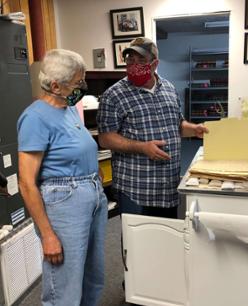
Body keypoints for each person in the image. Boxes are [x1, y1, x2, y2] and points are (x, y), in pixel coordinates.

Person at [17, 49, 108, 306]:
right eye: (78, 82)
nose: (83, 87)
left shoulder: (68, 108)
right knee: (65, 284)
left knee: (93, 276)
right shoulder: (35, 117)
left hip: (91, 195)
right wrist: (47, 235)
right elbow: (26, 182)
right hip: (64, 201)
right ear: (56, 84)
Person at [97, 37, 208, 219]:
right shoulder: (113, 95)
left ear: (154, 64)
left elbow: (177, 124)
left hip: (167, 187)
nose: (134, 65)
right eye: (130, 60)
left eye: (141, 61)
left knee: (165, 240)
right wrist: (142, 147)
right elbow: (105, 138)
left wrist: (193, 129)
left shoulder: (169, 88)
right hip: (136, 189)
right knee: (137, 245)